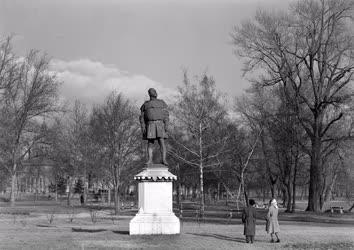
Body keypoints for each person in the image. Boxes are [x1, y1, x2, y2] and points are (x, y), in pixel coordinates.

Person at [139, 88, 169, 165]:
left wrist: (166, 125)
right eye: (152, 92)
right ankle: (150, 160)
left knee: (161, 142)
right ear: (149, 94)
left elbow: (166, 115)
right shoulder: (145, 105)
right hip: (150, 125)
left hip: (160, 124)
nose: (154, 93)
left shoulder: (162, 103)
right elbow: (142, 118)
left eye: (155, 92)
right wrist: (143, 127)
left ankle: (163, 160)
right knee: (150, 143)